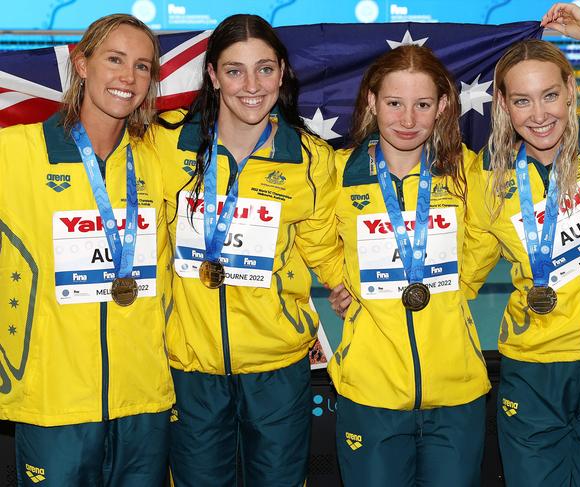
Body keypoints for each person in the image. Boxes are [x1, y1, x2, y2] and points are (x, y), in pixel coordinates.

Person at [462, 4, 580, 486]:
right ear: (502, 105)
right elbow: (460, 275)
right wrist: (351, 291)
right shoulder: (487, 178)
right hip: (535, 367)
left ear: (571, 90)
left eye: (550, 95)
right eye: (522, 101)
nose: (539, 115)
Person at [154, 14, 342, 487]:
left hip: (278, 366)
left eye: (264, 68)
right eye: (234, 70)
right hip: (189, 365)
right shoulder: (164, 145)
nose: (251, 85)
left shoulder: (311, 158)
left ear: (283, 72)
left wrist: (348, 286)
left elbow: (323, 246)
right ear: (214, 76)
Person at [0, 14, 174, 486]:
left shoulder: (159, 160)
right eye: (114, 60)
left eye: (142, 67)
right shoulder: (16, 151)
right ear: (81, 63)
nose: (127, 78)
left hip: (144, 399)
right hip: (54, 399)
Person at [327, 45, 491, 487]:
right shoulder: (337, 175)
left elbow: (485, 236)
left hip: (457, 393)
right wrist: (344, 281)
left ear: (442, 107)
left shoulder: (467, 174)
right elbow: (312, 236)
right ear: (372, 103)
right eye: (394, 103)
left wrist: (458, 287)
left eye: (422, 105)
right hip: (369, 392)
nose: (407, 120)